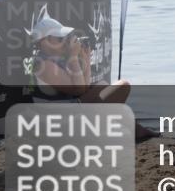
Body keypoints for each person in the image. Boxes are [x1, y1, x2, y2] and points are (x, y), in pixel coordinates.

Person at [28, 9, 154, 139]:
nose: (65, 41)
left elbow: (84, 88)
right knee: (122, 86)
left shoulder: (52, 58)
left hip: (64, 113)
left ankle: (135, 129)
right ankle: (97, 131)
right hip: (59, 123)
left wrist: (86, 60)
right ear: (43, 42)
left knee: (103, 86)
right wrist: (73, 57)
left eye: (65, 38)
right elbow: (78, 90)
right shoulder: (44, 65)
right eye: (60, 38)